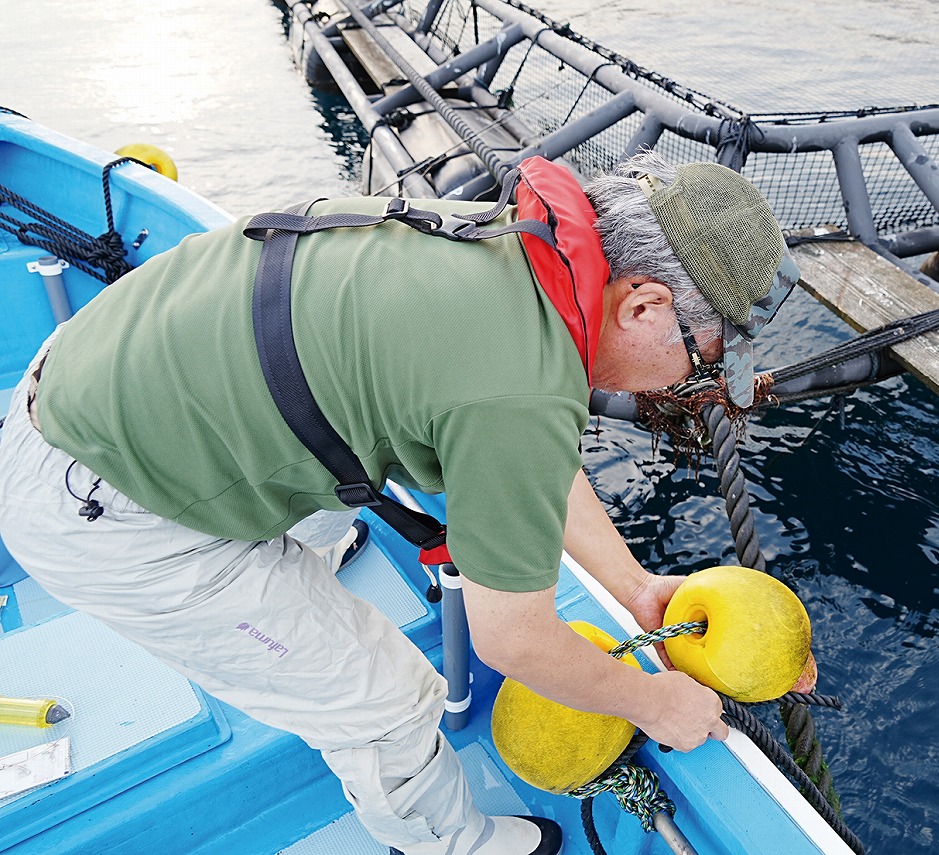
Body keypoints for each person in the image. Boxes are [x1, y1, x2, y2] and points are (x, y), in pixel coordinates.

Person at [0, 150, 797, 855]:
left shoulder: (513, 241)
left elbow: (529, 449)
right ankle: (451, 844)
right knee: (385, 699)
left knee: (348, 452)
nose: (688, 384)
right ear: (645, 306)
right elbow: (514, 640)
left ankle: (303, 555)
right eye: (700, 359)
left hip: (82, 383)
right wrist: (656, 701)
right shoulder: (515, 388)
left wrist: (631, 586)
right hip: (112, 512)